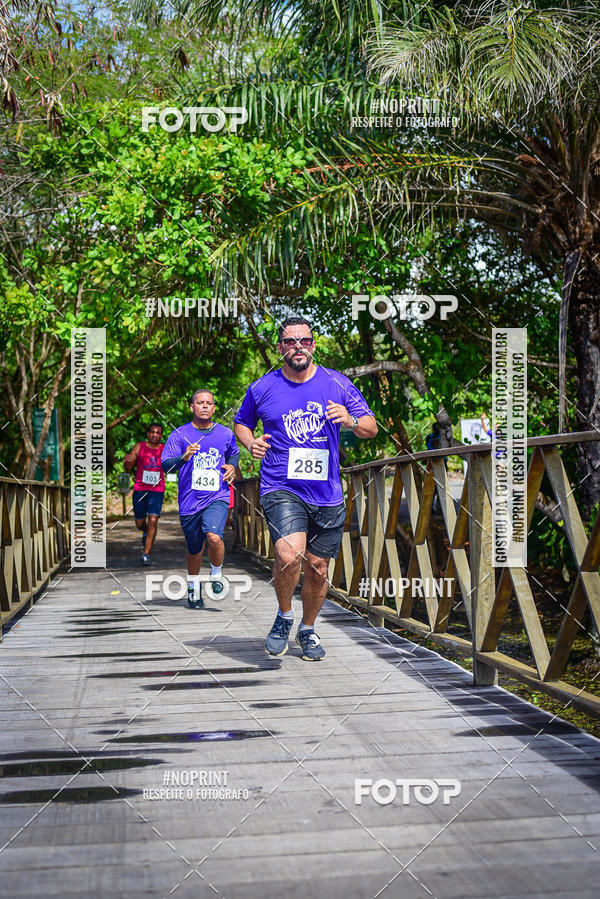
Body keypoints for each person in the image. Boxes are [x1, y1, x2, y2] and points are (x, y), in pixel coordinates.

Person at [234, 316, 378, 661]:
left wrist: (350, 420)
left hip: (326, 492)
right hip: (280, 484)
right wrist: (251, 442)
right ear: (280, 347)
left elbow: (370, 428)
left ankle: (308, 628)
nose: (298, 347)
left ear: (313, 345)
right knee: (288, 554)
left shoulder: (337, 384)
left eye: (305, 341)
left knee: (318, 567)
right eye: (289, 341)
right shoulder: (263, 387)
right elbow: (241, 422)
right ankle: (285, 615)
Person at [161, 390, 239, 609]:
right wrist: (183, 457)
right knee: (194, 548)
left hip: (217, 495)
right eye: (200, 402)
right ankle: (194, 588)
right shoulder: (179, 434)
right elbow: (166, 465)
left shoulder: (225, 433)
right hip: (189, 500)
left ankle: (216, 573)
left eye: (209, 403)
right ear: (192, 407)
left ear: (214, 408)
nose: (205, 406)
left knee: (214, 536)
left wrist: (232, 465)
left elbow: (234, 452)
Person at [123, 423, 165, 566]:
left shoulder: (164, 449)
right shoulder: (139, 447)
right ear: (148, 434)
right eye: (152, 432)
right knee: (140, 523)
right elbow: (128, 468)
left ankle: (146, 553)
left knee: (153, 519)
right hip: (140, 489)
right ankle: (147, 532)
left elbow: (171, 466)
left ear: (161, 435)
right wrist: (127, 461)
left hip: (157, 490)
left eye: (158, 432)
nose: (155, 434)